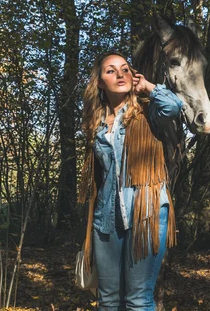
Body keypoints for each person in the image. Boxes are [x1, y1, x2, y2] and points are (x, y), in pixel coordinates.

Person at [78, 50, 181, 310]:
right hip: (107, 219)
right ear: (100, 82)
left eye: (124, 68)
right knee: (108, 300)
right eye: (110, 70)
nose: (120, 74)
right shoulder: (96, 123)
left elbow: (174, 106)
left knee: (138, 299)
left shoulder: (149, 111)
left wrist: (147, 86)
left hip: (146, 212)